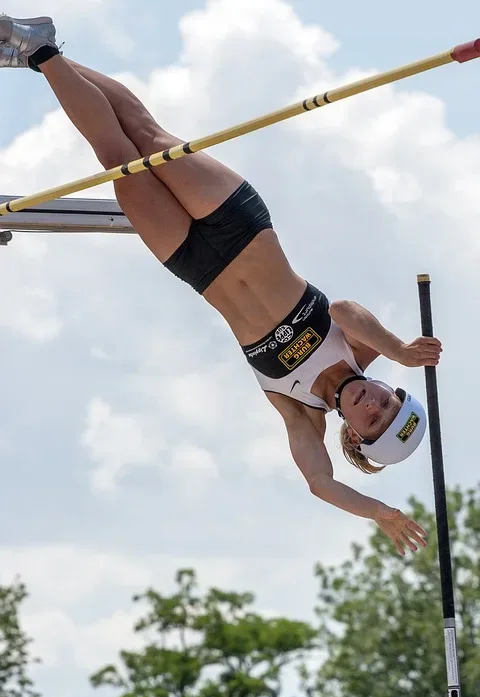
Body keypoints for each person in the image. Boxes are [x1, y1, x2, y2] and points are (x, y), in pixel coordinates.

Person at [0, 15, 442, 555]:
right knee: (144, 132)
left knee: (116, 159)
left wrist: (378, 510)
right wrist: (397, 347)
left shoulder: (300, 412)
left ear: (354, 434)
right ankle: (39, 51)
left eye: (374, 421)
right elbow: (346, 309)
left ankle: (37, 52)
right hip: (241, 223)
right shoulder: (363, 351)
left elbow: (319, 483)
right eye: (390, 402)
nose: (375, 404)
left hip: (193, 261)